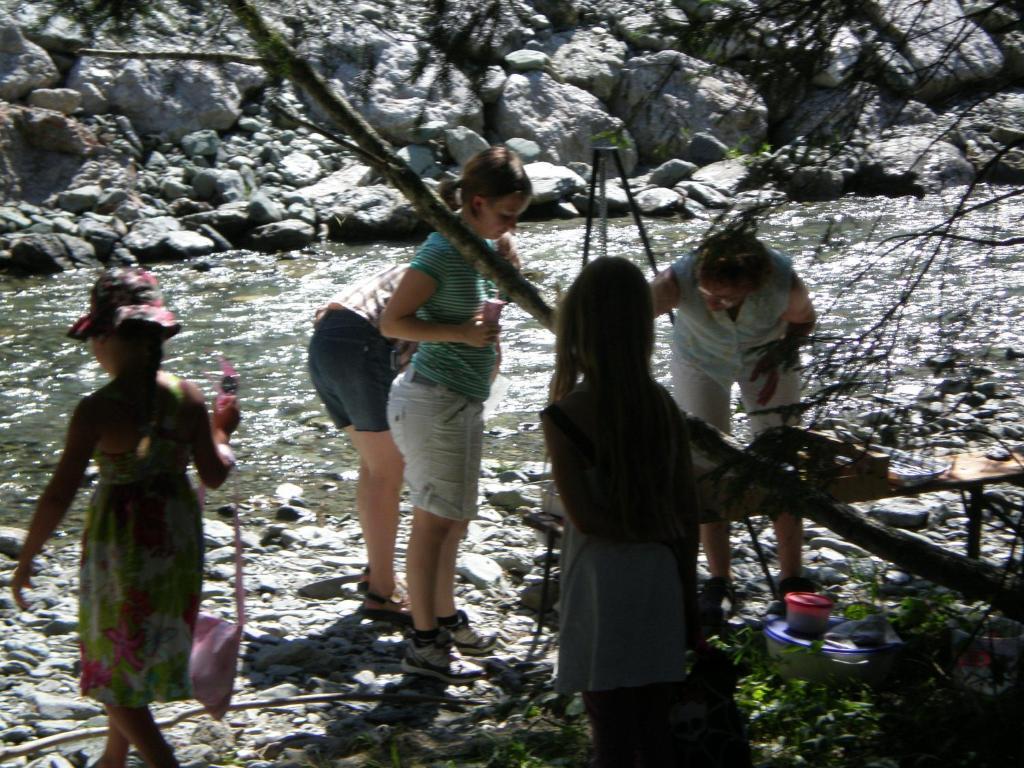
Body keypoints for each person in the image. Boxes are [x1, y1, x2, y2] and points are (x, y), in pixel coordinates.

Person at [11, 268, 239, 768]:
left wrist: (26, 557)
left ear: (110, 336)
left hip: (120, 547)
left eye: (94, 337)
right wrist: (223, 433)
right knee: (138, 654)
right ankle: (113, 761)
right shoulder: (190, 396)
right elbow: (214, 476)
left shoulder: (97, 408)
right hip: (177, 543)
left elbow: (58, 494)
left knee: (112, 677)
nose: (93, 348)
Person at [380, 146, 532, 683]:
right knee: (433, 523)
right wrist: (462, 334)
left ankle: (445, 617)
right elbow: (393, 323)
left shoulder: (481, 249)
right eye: (506, 214)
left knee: (453, 522)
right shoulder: (441, 251)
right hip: (432, 399)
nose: (512, 225)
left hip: (459, 399)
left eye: (518, 215)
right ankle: (423, 642)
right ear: (475, 202)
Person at [542, 256, 701, 767]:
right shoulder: (663, 407)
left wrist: (641, 530)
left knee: (609, 729)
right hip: (659, 578)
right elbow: (688, 513)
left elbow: (585, 518)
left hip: (599, 587)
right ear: (642, 328)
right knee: (656, 726)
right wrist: (688, 599)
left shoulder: (564, 415)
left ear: (577, 328)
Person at [651, 225, 818, 624]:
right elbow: (625, 317)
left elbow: (803, 321)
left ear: (756, 286)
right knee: (708, 464)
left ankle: (791, 575)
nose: (714, 302)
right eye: (708, 292)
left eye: (726, 297)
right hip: (698, 359)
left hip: (767, 357)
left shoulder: (783, 282)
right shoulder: (677, 279)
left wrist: (781, 355)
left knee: (782, 454)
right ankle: (719, 579)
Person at [308, 264, 415, 624]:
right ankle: (382, 592)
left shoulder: (421, 264)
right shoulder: (457, 280)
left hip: (325, 341)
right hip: (361, 345)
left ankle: (376, 571)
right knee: (388, 469)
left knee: (375, 464)